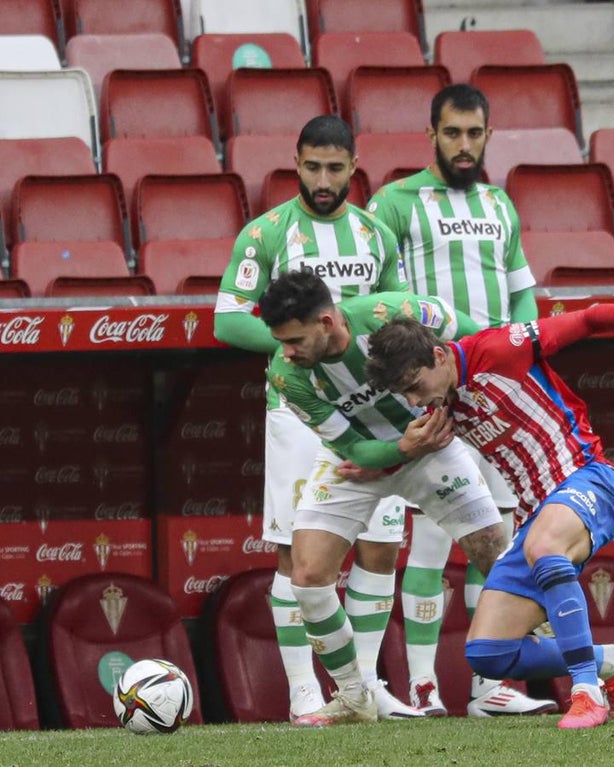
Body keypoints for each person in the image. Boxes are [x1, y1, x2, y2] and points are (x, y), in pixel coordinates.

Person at [365, 296, 614, 729]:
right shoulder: (439, 406)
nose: (415, 399)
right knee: (488, 653)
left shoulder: (499, 348)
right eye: (405, 393)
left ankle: (586, 693)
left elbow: (582, 320)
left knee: (545, 546)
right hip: (536, 514)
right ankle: (608, 662)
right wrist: (389, 454)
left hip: (587, 479)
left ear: (438, 354)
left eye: (415, 384)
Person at [213, 115, 422, 722]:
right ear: (295, 163)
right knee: (297, 553)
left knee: (381, 547)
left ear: (354, 167)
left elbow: (395, 317)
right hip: (299, 414)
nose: (323, 179)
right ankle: (305, 690)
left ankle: (361, 688)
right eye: (312, 167)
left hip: (375, 410)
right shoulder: (266, 233)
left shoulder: (376, 234)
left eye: (335, 168)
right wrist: (298, 354)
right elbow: (228, 320)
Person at [367, 83, 553, 717]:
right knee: (429, 542)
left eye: (475, 134)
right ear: (431, 134)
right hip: (432, 395)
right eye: (453, 134)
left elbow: (523, 293)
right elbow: (383, 300)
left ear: (488, 135)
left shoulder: (501, 206)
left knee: (494, 540)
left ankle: (488, 687)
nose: (465, 146)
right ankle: (423, 686)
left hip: (494, 395)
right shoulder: (394, 203)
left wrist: (522, 347)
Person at [256, 269, 512, 726]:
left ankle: (594, 669)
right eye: (280, 341)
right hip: (362, 460)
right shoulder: (286, 376)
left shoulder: (392, 313)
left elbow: (481, 341)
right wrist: (401, 449)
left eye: (294, 340)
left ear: (327, 322)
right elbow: (352, 449)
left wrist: (457, 402)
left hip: (432, 448)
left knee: (503, 563)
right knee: (308, 573)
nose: (286, 352)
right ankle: (355, 695)